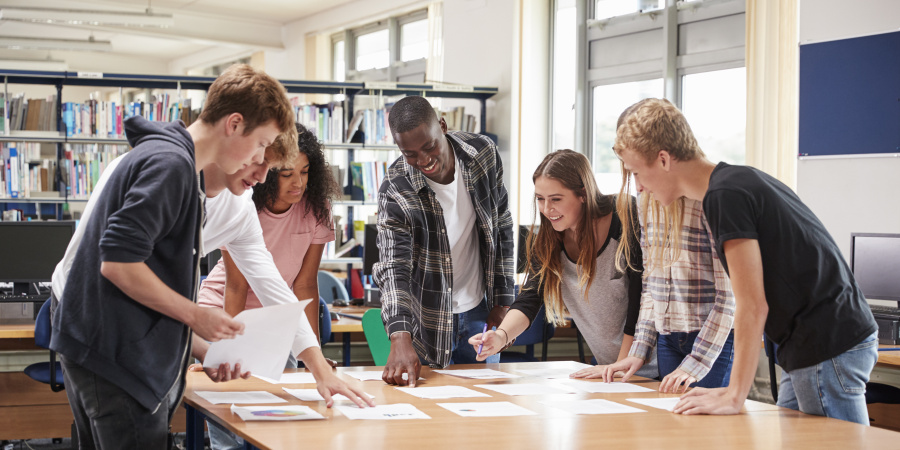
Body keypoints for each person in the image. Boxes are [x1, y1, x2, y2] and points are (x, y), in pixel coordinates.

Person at [50, 64, 291, 449]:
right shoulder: (171, 165)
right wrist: (197, 316)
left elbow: (148, 270)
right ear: (233, 124)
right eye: (261, 143)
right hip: (118, 356)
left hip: (101, 349)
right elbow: (118, 263)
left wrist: (201, 345)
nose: (258, 160)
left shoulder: (177, 164)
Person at [613, 98, 878, 424]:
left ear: (664, 159)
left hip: (828, 342)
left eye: (638, 172)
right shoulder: (736, 181)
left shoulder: (725, 197)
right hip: (812, 341)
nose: (639, 186)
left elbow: (751, 304)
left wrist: (735, 394)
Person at [196, 124, 369, 450]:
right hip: (222, 310)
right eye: (287, 173)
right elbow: (236, 286)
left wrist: (315, 358)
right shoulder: (243, 206)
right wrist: (223, 350)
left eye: (305, 172)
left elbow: (303, 285)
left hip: (276, 315)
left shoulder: (316, 209)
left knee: (279, 419)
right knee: (226, 410)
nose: (299, 183)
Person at [469, 149, 658, 381]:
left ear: (583, 194)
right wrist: (500, 336)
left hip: (654, 366)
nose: (547, 209)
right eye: (540, 199)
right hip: (610, 369)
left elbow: (641, 299)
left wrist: (620, 365)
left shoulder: (625, 216)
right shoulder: (550, 240)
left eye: (556, 199)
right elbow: (530, 298)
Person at [374, 95, 515, 386]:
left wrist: (503, 301)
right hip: (426, 320)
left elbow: (501, 226)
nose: (423, 160)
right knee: (426, 416)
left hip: (479, 312)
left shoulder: (483, 153)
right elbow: (393, 268)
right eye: (409, 154)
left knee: (484, 409)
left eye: (429, 146)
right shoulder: (396, 188)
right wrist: (400, 336)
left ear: (443, 125)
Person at [598, 108, 736, 393]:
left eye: (638, 171)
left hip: (711, 337)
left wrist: (696, 362)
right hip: (667, 337)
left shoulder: (711, 200)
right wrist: (639, 349)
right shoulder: (646, 201)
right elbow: (652, 284)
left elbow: (730, 296)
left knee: (704, 429)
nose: (637, 185)